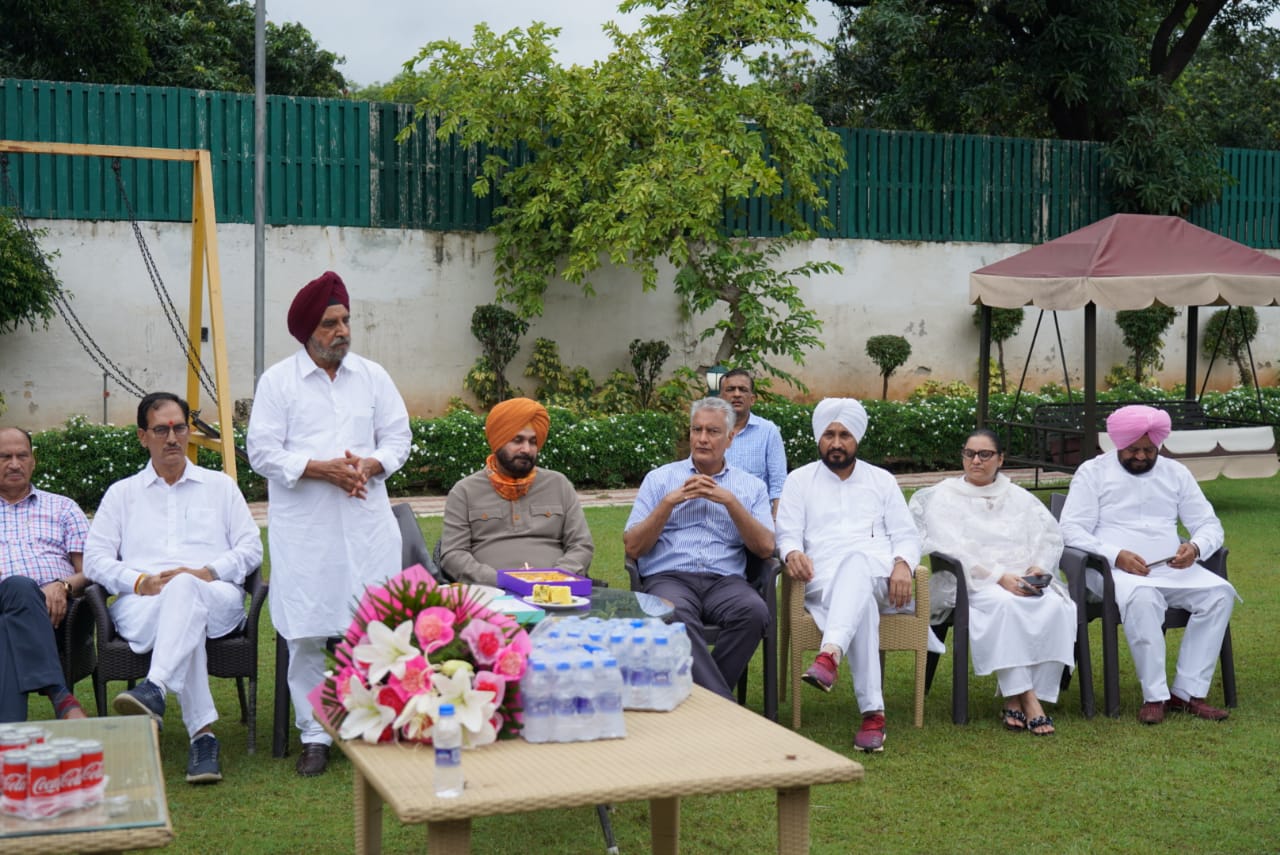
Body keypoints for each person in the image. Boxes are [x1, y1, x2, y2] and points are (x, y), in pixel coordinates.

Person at [247, 271, 411, 776]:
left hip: (367, 526)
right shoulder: (279, 381)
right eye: (330, 323)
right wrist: (323, 470)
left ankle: (374, 724)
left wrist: (367, 466)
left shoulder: (373, 376)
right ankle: (316, 734)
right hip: (308, 531)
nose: (342, 331)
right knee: (308, 633)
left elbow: (398, 440)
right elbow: (261, 452)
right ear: (306, 332)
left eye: (345, 321)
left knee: (377, 626)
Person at [85, 393, 262, 784]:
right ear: (142, 436)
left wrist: (209, 571)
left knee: (185, 589)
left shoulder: (220, 487)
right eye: (161, 429)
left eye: (179, 428)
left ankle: (156, 686)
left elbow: (251, 548)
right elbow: (95, 559)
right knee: (184, 618)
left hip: (216, 597)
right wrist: (138, 581)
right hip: (143, 605)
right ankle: (203, 738)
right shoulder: (122, 494)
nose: (172, 438)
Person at [1058, 404, 1236, 725]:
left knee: (1220, 594)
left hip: (1171, 569)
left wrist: (1195, 548)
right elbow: (1070, 529)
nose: (1141, 456)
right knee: (1143, 597)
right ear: (1117, 444)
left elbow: (1210, 525)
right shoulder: (1092, 472)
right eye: (1133, 449)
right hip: (1109, 572)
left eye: (1149, 450)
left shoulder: (1175, 473)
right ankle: (1155, 696)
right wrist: (1116, 555)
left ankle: (1188, 691)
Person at [774, 398, 921, 752]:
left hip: (883, 580)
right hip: (821, 581)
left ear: (858, 439)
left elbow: (907, 533)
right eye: (829, 434)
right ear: (818, 438)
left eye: (844, 435)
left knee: (858, 562)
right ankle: (873, 715)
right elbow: (787, 532)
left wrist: (903, 562)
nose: (836, 443)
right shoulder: (799, 480)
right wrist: (792, 552)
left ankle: (829, 657)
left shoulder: (881, 480)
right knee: (863, 606)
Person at [909, 429, 1075, 736]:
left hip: (1021, 577)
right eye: (969, 453)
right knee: (1004, 606)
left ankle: (1014, 698)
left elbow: (1048, 536)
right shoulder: (944, 495)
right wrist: (999, 577)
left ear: (1000, 459)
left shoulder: (1018, 497)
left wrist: (1037, 566)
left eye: (984, 454)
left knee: (1055, 606)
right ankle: (1030, 699)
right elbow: (952, 548)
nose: (975, 460)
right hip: (974, 583)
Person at [623, 397, 775, 701]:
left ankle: (700, 702)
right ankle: (722, 705)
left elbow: (765, 547)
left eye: (713, 432)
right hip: (670, 577)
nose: (703, 439)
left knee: (754, 612)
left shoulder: (751, 486)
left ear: (730, 438)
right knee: (672, 612)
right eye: (697, 430)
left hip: (726, 581)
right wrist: (668, 503)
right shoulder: (660, 479)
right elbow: (633, 546)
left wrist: (731, 502)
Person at [440, 397, 593, 585]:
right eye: (517, 440)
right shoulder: (465, 491)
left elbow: (581, 545)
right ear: (498, 441)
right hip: (491, 595)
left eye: (533, 441)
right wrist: (500, 580)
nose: (526, 449)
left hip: (557, 591)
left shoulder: (558, 485)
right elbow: (453, 554)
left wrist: (554, 578)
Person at [0, 426, 90, 723]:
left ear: (33, 461)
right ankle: (59, 694)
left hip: (56, 614)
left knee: (9, 621)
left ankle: (8, 738)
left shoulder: (63, 508)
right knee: (17, 588)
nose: (14, 463)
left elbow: (89, 570)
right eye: (4, 456)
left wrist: (63, 585)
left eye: (21, 455)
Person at [719, 369, 787, 515]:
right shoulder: (709, 431)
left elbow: (778, 485)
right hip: (716, 519)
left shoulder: (768, 432)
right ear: (721, 397)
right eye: (730, 389)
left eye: (743, 390)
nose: (737, 394)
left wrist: (775, 523)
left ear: (752, 399)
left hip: (755, 520)